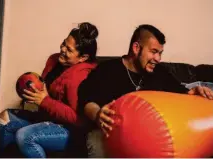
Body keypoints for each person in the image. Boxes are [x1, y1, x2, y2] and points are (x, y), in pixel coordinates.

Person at [77, 24, 213, 157]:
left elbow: (180, 93)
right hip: (107, 134)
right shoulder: (107, 70)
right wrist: (97, 114)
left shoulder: (160, 72)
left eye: (160, 53)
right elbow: (86, 98)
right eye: (153, 52)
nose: (158, 59)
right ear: (136, 48)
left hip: (147, 139)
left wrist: (195, 91)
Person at [0, 22, 98, 158]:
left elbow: (79, 120)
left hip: (69, 130)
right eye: (63, 43)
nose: (62, 49)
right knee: (5, 119)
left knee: (24, 136)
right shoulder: (54, 60)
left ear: (82, 58)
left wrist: (45, 101)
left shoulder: (79, 77)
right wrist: (31, 91)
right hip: (47, 117)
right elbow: (44, 87)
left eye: (69, 49)